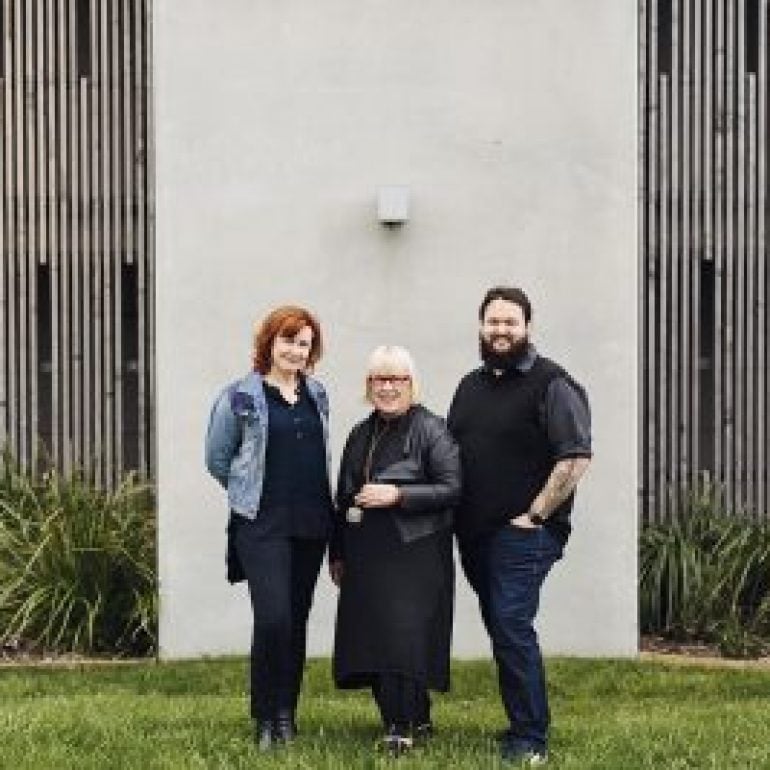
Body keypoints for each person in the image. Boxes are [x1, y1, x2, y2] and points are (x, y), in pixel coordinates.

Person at [448, 287, 592, 766]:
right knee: (502, 627)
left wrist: (534, 516)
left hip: (524, 534)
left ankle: (531, 740)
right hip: (474, 535)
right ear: (481, 326)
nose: (501, 330)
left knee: (511, 625)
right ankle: (521, 724)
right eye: (493, 321)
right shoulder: (470, 386)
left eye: (511, 322)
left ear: (527, 326)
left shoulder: (553, 383)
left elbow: (574, 458)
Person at [205, 305, 333, 750]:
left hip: (313, 524)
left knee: (296, 621)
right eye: (287, 340)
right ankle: (263, 716)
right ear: (269, 343)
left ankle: (285, 715)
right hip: (262, 525)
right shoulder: (239, 397)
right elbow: (217, 460)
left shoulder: (318, 395)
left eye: (304, 343)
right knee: (273, 619)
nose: (295, 351)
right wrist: (247, 492)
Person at [330, 345, 460, 756]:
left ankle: (400, 726)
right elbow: (343, 498)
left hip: (415, 552)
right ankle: (413, 714)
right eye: (378, 379)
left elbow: (451, 489)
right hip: (367, 553)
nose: (386, 387)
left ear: (411, 383)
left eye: (395, 379)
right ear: (368, 386)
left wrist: (398, 494)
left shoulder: (432, 429)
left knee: (403, 638)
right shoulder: (359, 432)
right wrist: (337, 553)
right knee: (373, 638)